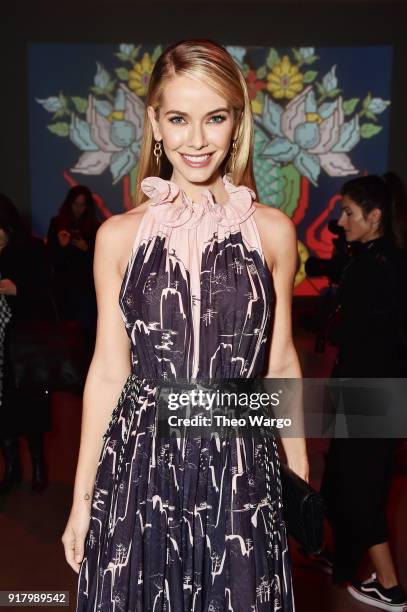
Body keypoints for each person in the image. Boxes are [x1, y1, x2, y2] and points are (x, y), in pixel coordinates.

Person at [62, 39, 308, 611]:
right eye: (178, 118)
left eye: (215, 117)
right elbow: (106, 372)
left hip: (241, 466)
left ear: (237, 123)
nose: (196, 140)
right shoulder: (118, 237)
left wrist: (297, 476)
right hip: (139, 466)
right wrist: (81, 498)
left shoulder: (272, 231)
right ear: (154, 122)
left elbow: (280, 362)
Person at [319, 173, 407, 611]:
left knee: (360, 489)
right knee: (340, 479)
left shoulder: (376, 267)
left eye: (349, 213)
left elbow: (369, 337)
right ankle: (343, 563)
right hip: (374, 389)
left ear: (374, 216)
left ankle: (389, 586)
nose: (341, 220)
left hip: (372, 392)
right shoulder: (381, 259)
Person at [0, 194, 53, 494]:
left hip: (24, 348)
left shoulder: (31, 250)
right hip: (1, 346)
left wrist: (17, 290)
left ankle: (38, 466)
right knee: (3, 413)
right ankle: (11, 468)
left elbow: (51, 296)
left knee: (29, 408)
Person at [47, 185, 100, 352]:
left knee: (86, 331)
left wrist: (87, 249)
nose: (78, 209)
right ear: (69, 203)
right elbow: (50, 259)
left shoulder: (95, 227)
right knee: (64, 332)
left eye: (82, 205)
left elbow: (101, 262)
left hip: (86, 287)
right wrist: (62, 246)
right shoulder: (57, 224)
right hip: (63, 286)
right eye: (75, 204)